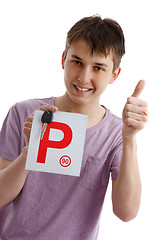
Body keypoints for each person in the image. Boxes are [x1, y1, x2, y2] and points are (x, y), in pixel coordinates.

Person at [0, 16, 148, 240]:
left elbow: (126, 213)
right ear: (63, 59)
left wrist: (129, 138)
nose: (84, 77)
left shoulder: (117, 134)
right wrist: (30, 151)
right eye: (76, 62)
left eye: (98, 67)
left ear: (114, 75)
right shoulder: (23, 114)